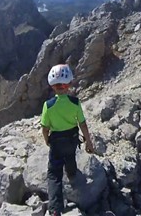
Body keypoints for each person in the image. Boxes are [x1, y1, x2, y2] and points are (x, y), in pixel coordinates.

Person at [41, 64, 94, 216]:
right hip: (72, 139)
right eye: (63, 85)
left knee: (54, 174)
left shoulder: (48, 105)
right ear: (69, 85)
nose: (62, 86)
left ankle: (56, 209)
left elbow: (45, 128)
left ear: (52, 87)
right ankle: (71, 173)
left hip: (56, 141)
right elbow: (82, 124)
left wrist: (47, 140)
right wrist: (88, 142)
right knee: (70, 156)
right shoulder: (75, 102)